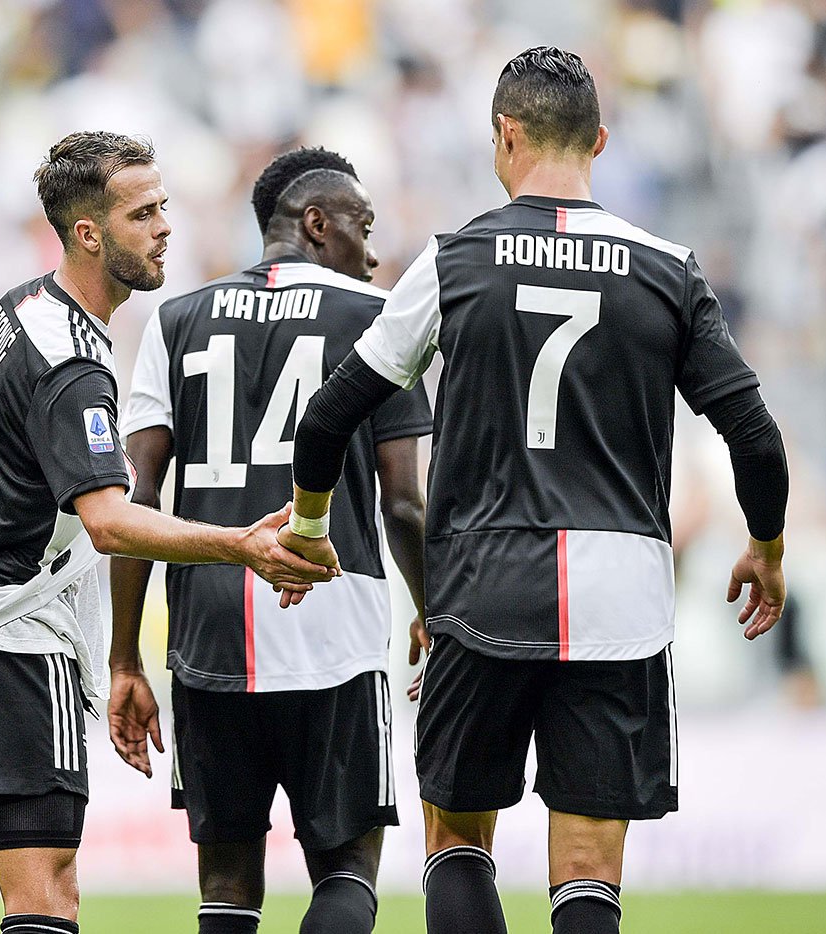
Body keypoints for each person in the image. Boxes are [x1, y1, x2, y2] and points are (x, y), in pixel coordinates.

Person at [280, 47, 789, 934]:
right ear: (600, 140)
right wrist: (768, 547)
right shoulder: (668, 268)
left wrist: (311, 525)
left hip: (483, 586)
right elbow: (755, 436)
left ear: (505, 135)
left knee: (456, 838)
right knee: (588, 868)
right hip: (620, 602)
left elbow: (326, 420)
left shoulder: (453, 260)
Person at [0, 131, 337, 934]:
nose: (164, 227)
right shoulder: (75, 364)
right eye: (142, 214)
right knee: (47, 898)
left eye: (163, 208)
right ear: (88, 233)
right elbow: (109, 523)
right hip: (7, 647)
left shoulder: (19, 309)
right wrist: (242, 547)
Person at [107, 147, 432, 934]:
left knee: (226, 886)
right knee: (348, 871)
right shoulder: (377, 317)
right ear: (316, 223)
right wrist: (435, 608)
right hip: (335, 624)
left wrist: (124, 657)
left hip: (209, 634)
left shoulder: (177, 319)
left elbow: (137, 500)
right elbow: (405, 503)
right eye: (362, 226)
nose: (373, 252)